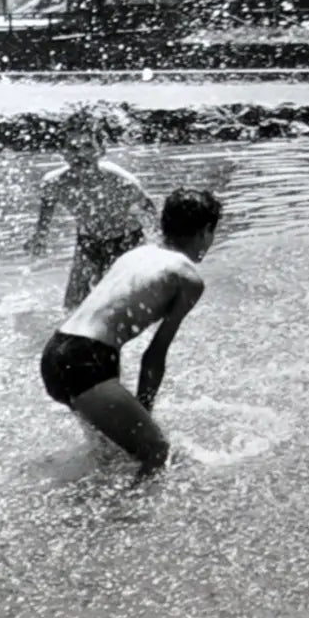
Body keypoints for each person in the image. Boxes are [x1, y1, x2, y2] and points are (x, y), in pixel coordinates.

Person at [39, 187, 222, 477]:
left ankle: (91, 504)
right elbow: (154, 354)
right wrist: (145, 411)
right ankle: (129, 519)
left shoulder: (138, 254)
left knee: (109, 453)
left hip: (55, 352)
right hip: (88, 360)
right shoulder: (187, 277)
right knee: (157, 451)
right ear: (205, 231)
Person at [27, 109, 158, 311]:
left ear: (101, 150)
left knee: (128, 305)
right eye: (72, 147)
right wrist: (40, 237)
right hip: (88, 243)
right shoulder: (54, 183)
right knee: (72, 307)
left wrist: (159, 249)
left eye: (88, 146)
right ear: (62, 152)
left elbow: (150, 212)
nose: (80, 154)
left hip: (126, 242)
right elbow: (47, 209)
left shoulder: (122, 181)